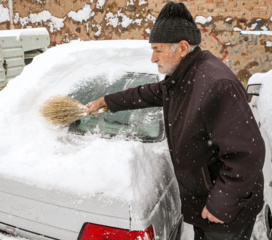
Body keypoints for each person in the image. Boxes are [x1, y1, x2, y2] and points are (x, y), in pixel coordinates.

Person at [84, 1, 265, 240]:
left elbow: (247, 154)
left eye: (157, 49)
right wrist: (106, 101)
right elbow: (148, 93)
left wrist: (220, 203)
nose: (152, 58)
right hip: (207, 203)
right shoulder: (182, 78)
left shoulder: (214, 85)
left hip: (227, 214)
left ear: (181, 48)